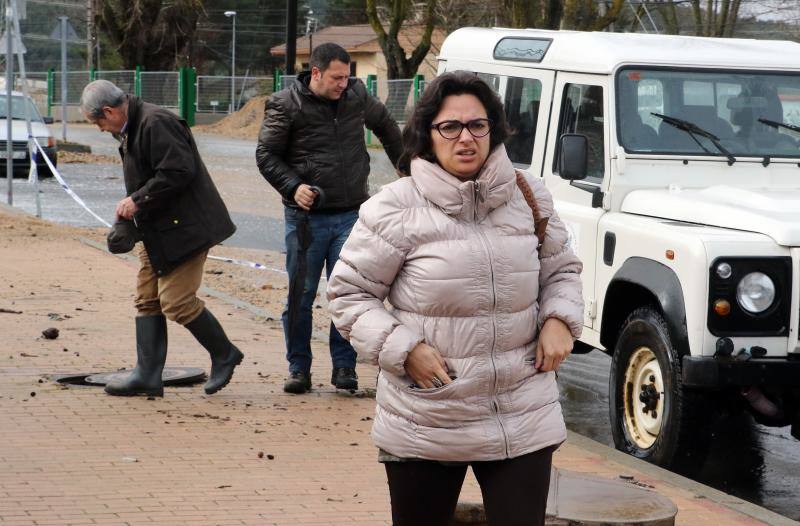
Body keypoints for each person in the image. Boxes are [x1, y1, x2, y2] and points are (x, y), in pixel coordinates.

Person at [327, 71, 584, 525]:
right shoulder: (394, 208)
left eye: (477, 125)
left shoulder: (528, 195)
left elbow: (561, 270)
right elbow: (350, 294)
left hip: (520, 414)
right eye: (450, 127)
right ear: (428, 133)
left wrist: (560, 320)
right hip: (427, 416)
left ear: (494, 129)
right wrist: (403, 350)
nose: (465, 137)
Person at [79, 79, 244, 398]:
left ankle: (224, 353)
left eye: (96, 121)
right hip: (157, 230)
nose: (99, 129)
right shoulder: (130, 128)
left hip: (187, 230)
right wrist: (127, 223)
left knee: (177, 302)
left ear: (110, 111)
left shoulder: (156, 123)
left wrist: (138, 200)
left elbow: (178, 171)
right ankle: (148, 375)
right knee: (147, 298)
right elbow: (147, 178)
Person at [256, 43, 402, 394]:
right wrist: (293, 187)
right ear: (316, 73)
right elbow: (266, 154)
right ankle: (298, 368)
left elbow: (387, 128)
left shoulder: (356, 96)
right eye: (337, 77)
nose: (343, 84)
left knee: (349, 295)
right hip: (306, 219)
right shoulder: (285, 104)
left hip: (352, 214)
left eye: (347, 77)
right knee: (301, 295)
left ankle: (344, 368)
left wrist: (409, 170)